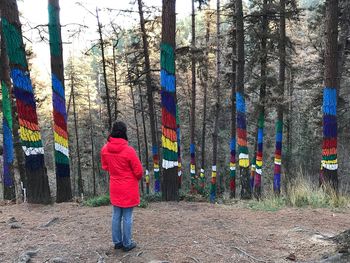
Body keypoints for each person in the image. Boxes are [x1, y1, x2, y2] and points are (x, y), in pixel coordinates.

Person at [101, 121, 143, 252]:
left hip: (115, 186)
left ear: (113, 131)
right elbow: (139, 171)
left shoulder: (105, 149)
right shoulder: (128, 151)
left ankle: (117, 242)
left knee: (116, 215)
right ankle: (127, 243)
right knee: (127, 216)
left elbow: (105, 166)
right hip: (128, 187)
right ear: (124, 133)